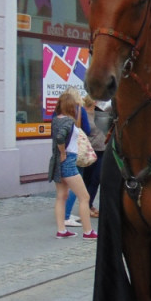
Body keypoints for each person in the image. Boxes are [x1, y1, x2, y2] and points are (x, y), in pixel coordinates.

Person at [49, 88, 97, 240]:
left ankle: (61, 230)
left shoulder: (56, 119)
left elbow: (57, 136)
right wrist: (63, 152)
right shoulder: (69, 121)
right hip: (68, 161)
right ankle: (88, 231)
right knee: (84, 197)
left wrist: (60, 153)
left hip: (56, 163)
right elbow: (60, 137)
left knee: (61, 196)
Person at [63, 95, 106, 227]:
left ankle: (88, 204)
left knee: (96, 179)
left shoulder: (101, 113)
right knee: (86, 179)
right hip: (88, 151)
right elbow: (85, 130)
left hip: (102, 149)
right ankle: (83, 206)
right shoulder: (83, 113)